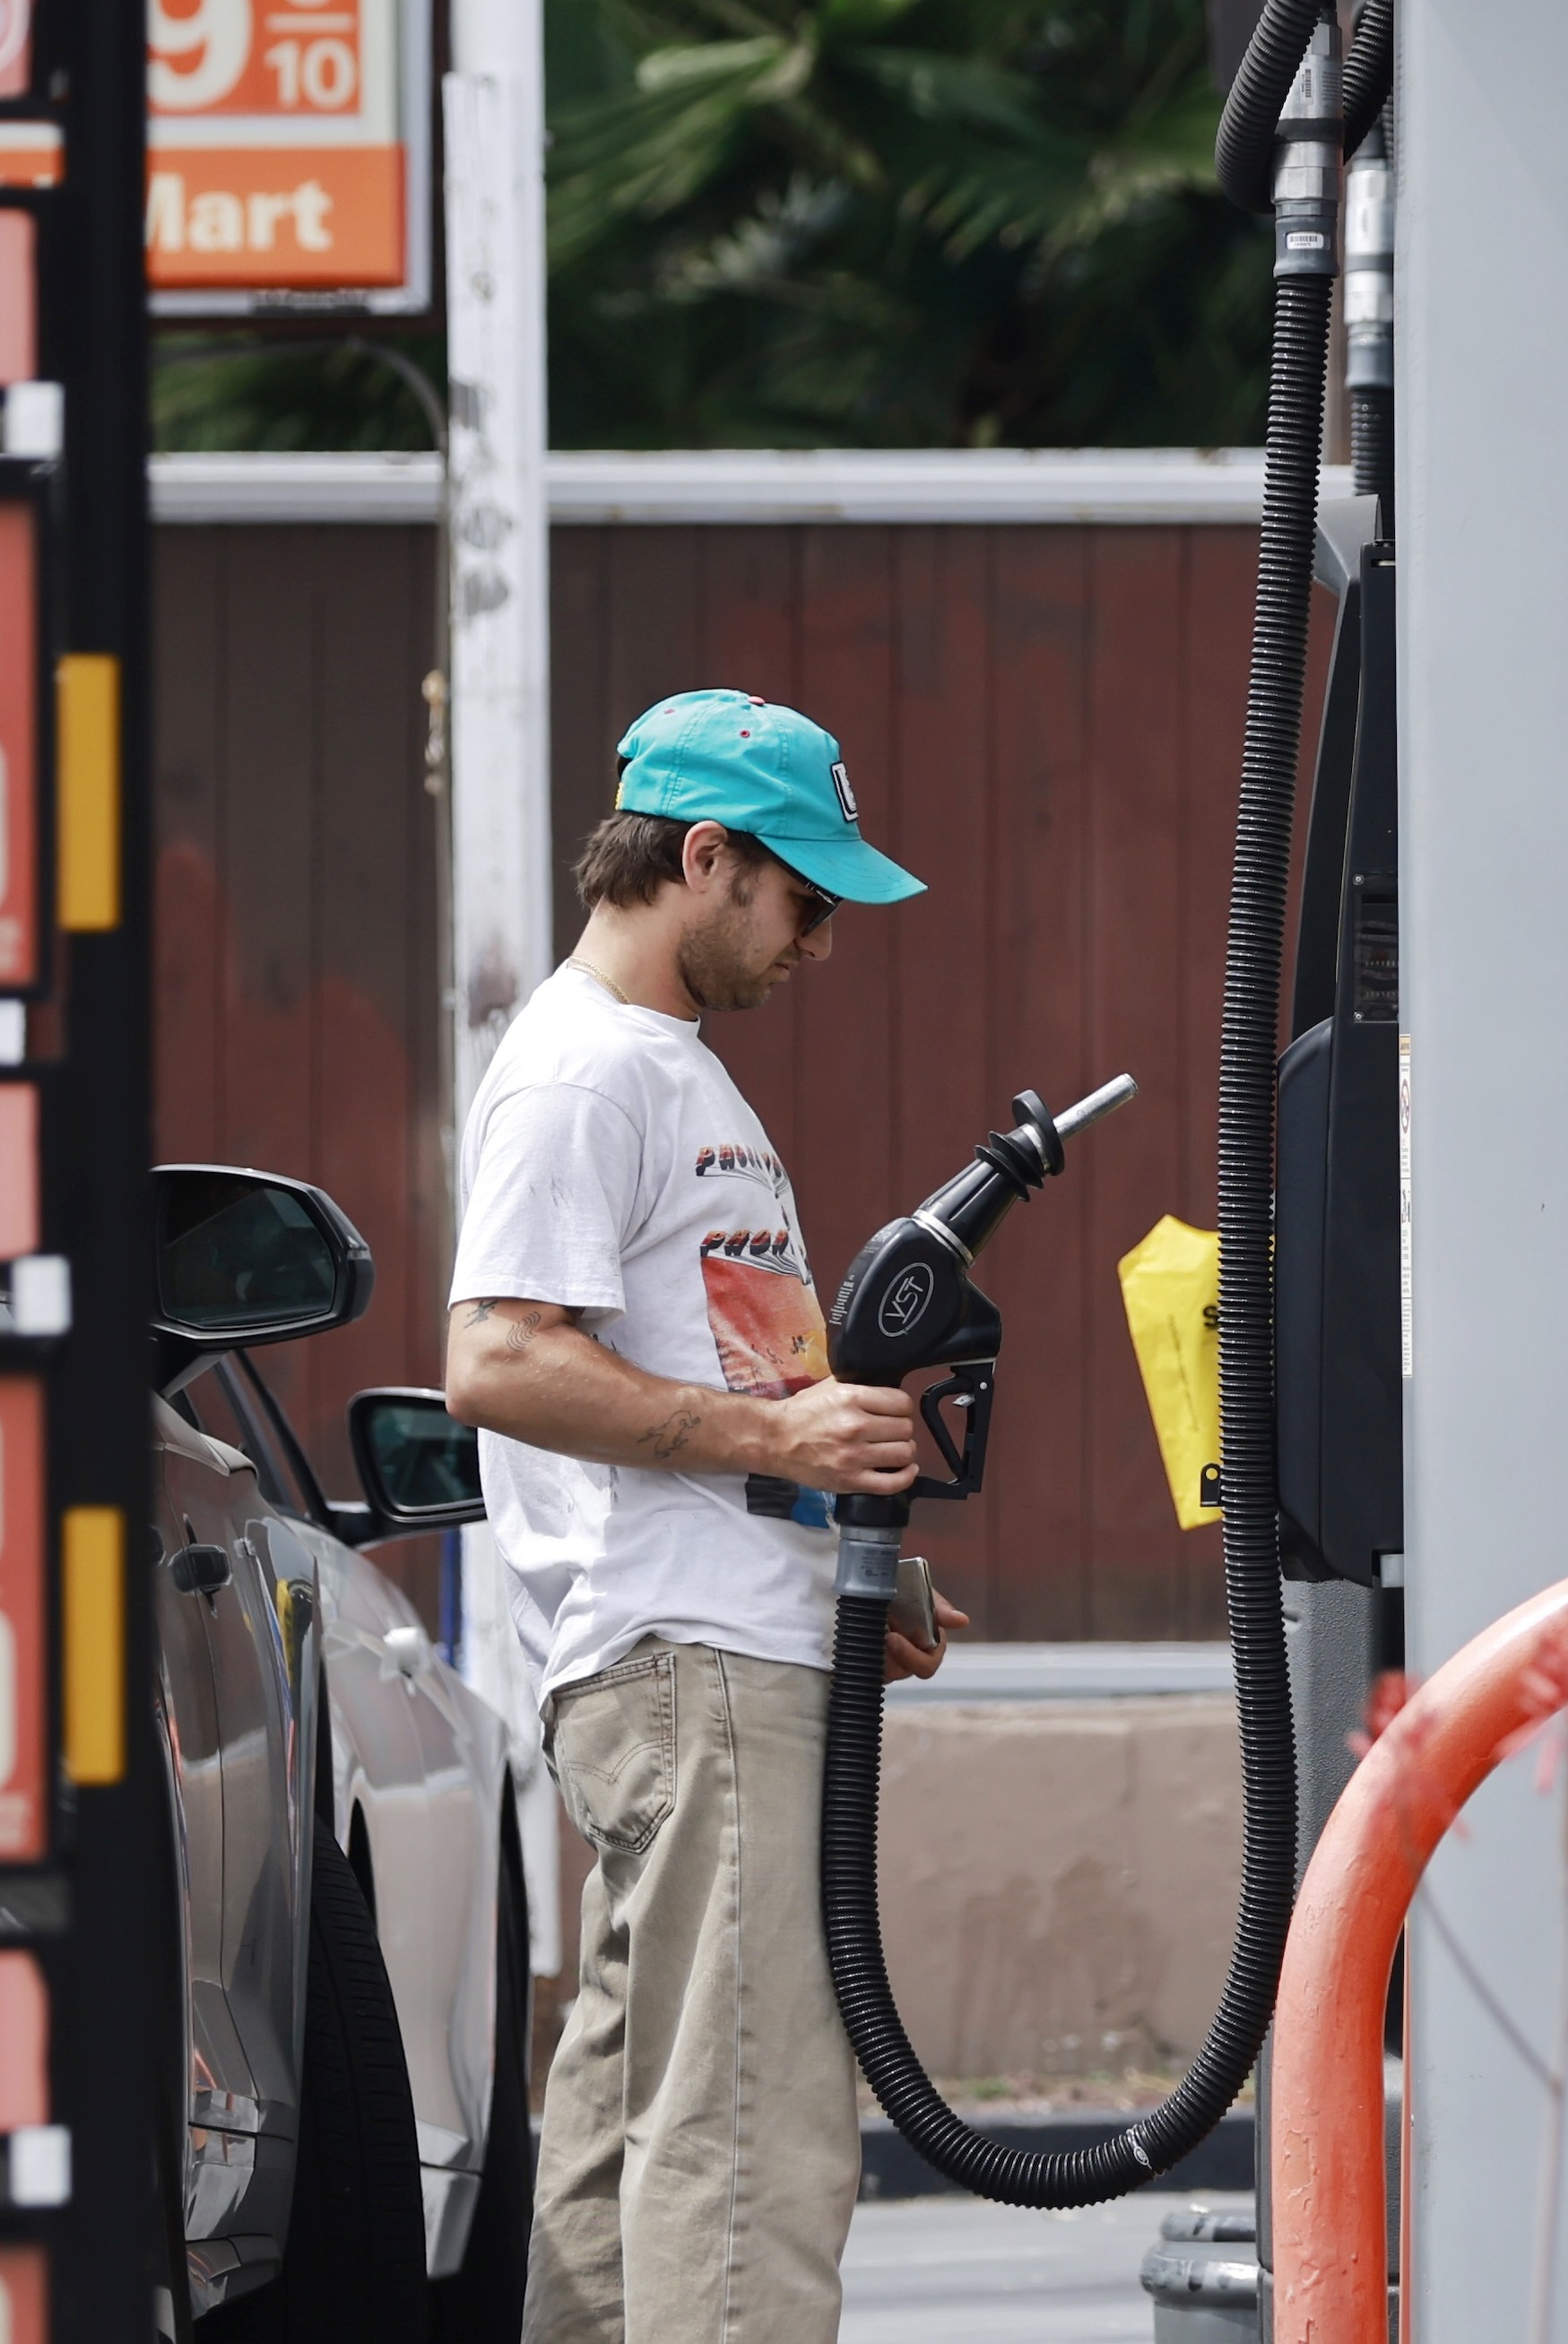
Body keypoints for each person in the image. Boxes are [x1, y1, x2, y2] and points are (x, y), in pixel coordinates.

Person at [448, 687, 965, 2344]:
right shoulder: (586, 1074)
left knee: (630, 2149)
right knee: (746, 2149)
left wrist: (842, 1547)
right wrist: (778, 1450)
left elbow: (740, 1395)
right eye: (803, 896)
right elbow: (500, 1357)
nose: (819, 938)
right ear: (703, 856)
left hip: (709, 1651)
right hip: (694, 1675)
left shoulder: (668, 1076)